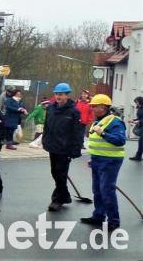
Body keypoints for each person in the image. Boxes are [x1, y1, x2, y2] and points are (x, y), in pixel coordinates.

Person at [78, 94, 125, 232]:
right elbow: (97, 144)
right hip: (98, 160)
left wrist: (103, 133)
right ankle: (98, 216)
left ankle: (113, 220)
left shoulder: (115, 122)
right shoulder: (97, 121)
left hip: (110, 161)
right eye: (92, 106)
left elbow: (120, 140)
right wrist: (93, 158)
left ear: (103, 107)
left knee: (107, 191)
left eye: (94, 106)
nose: (92, 108)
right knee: (97, 190)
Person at [42, 82, 84, 212]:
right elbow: (46, 126)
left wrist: (75, 150)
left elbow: (78, 132)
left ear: (67, 95)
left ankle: (57, 199)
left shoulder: (74, 111)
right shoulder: (51, 108)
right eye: (56, 94)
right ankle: (65, 196)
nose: (58, 97)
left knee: (61, 174)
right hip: (52, 146)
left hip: (65, 149)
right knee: (55, 173)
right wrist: (44, 140)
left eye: (61, 94)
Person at [130, 96, 143, 161]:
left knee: (141, 142)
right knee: (141, 142)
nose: (136, 103)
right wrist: (134, 119)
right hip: (141, 126)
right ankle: (138, 156)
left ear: (140, 101)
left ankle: (138, 157)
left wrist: (137, 121)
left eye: (136, 102)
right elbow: (140, 117)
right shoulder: (139, 108)